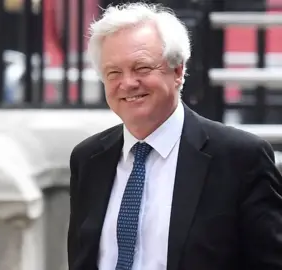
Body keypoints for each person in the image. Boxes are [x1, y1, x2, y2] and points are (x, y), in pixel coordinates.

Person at [67, 2, 282, 270]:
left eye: (142, 68)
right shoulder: (88, 159)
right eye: (114, 73)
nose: (128, 83)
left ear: (178, 71)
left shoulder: (240, 159)